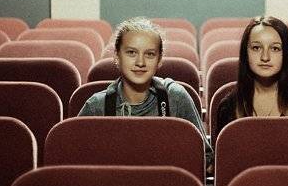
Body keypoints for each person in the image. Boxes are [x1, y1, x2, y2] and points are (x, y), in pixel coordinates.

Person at [77, 16, 213, 170]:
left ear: (159, 59)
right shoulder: (96, 106)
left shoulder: (174, 97)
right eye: (131, 53)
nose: (140, 62)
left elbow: (204, 157)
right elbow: (75, 162)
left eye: (149, 54)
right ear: (116, 56)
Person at [213, 16, 288, 141]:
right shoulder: (228, 106)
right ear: (245, 53)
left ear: (286, 54)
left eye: (275, 48)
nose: (265, 57)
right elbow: (222, 158)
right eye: (256, 48)